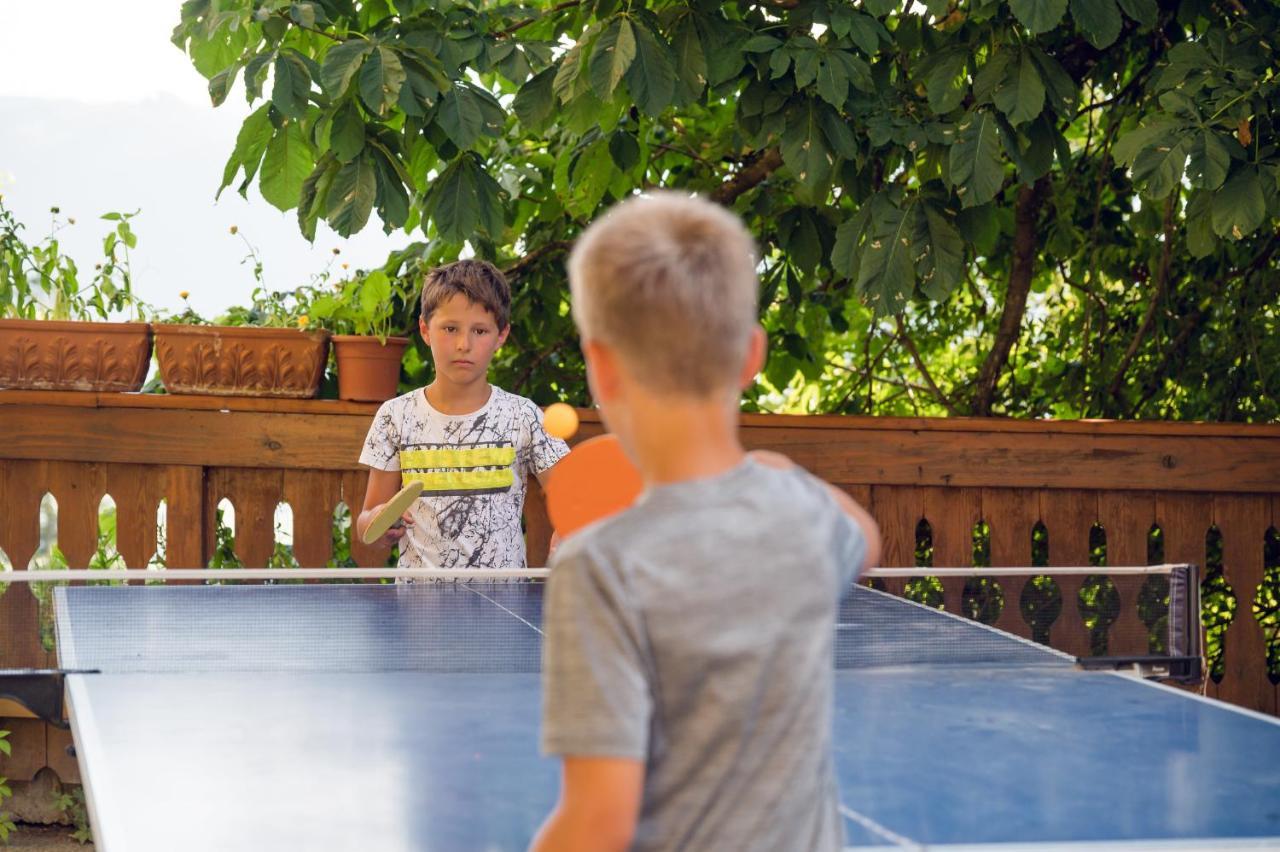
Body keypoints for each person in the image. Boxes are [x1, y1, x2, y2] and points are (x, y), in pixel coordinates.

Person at [532, 193, 881, 851]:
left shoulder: (599, 566)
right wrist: (779, 473)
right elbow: (865, 537)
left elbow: (597, 824)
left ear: (601, 367)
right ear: (752, 356)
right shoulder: (804, 515)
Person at [356, 259, 569, 571]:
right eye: (450, 328)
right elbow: (366, 524)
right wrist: (378, 522)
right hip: (420, 609)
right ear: (425, 330)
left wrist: (572, 525)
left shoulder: (523, 416)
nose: (463, 344)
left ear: (501, 336)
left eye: (480, 330)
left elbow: (576, 493)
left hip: (504, 606)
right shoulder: (395, 416)